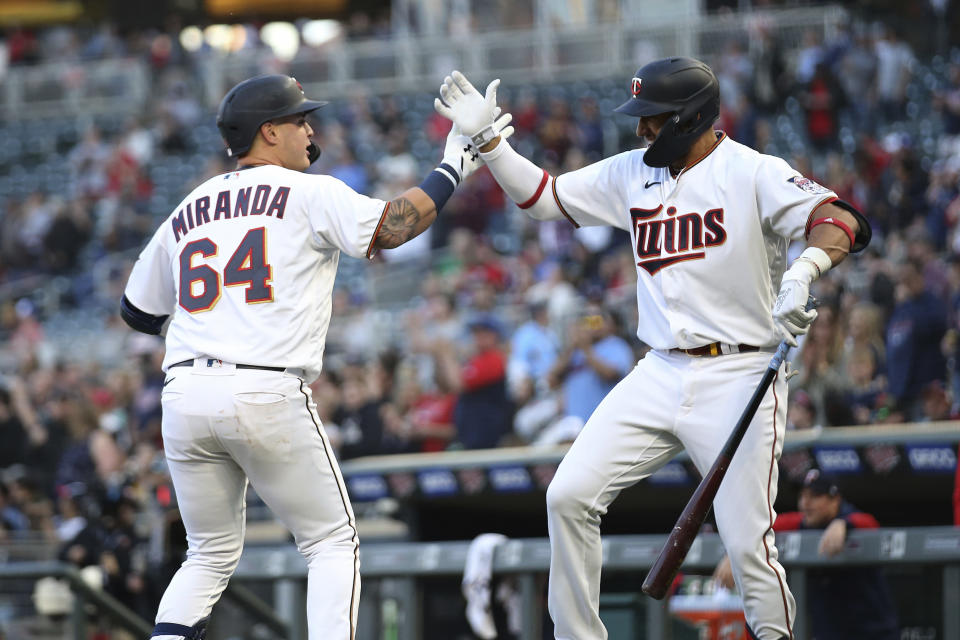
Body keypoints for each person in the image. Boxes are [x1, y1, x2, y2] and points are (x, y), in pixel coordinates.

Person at [434, 57, 871, 640]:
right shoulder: (631, 172)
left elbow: (840, 218)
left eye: (653, 119)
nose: (642, 130)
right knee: (567, 495)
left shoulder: (752, 170)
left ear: (692, 119)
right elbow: (544, 197)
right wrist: (490, 143)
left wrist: (805, 269)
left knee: (747, 548)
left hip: (740, 373)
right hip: (659, 369)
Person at [120, 74, 513, 640]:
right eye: (299, 120)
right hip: (264, 386)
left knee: (205, 556)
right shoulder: (307, 192)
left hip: (184, 392)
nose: (310, 129)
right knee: (331, 542)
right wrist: (452, 167)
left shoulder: (191, 204)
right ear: (269, 131)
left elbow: (138, 312)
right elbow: (393, 228)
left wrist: (216, 329)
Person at [714, 470, 899, 640]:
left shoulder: (853, 519)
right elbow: (759, 528)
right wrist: (735, 554)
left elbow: (870, 524)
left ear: (835, 500)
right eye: (803, 496)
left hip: (874, 632)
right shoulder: (800, 523)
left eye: (815, 496)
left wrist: (844, 523)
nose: (805, 503)